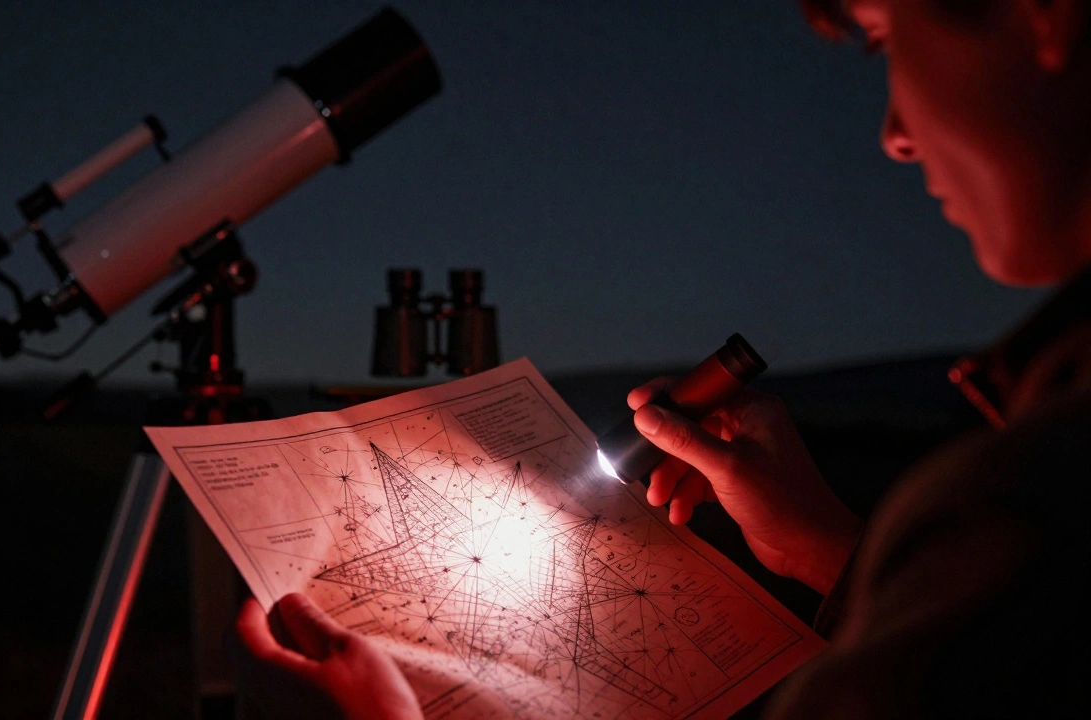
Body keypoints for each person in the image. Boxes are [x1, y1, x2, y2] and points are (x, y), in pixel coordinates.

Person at [235, 1, 1091, 717]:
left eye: (882, 38)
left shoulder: (1034, 495)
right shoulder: (1033, 474)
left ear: (1042, 12)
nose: (894, 136)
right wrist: (822, 549)